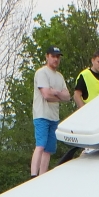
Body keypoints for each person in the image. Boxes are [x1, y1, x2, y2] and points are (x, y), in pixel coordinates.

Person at [31, 46, 71, 177]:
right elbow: (46, 95)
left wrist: (56, 92)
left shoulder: (59, 76)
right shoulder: (42, 72)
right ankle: (33, 175)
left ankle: (42, 175)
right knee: (40, 146)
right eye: (53, 56)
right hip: (42, 114)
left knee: (48, 149)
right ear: (47, 56)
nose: (56, 59)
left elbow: (67, 96)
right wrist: (58, 96)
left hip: (54, 116)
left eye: (58, 57)